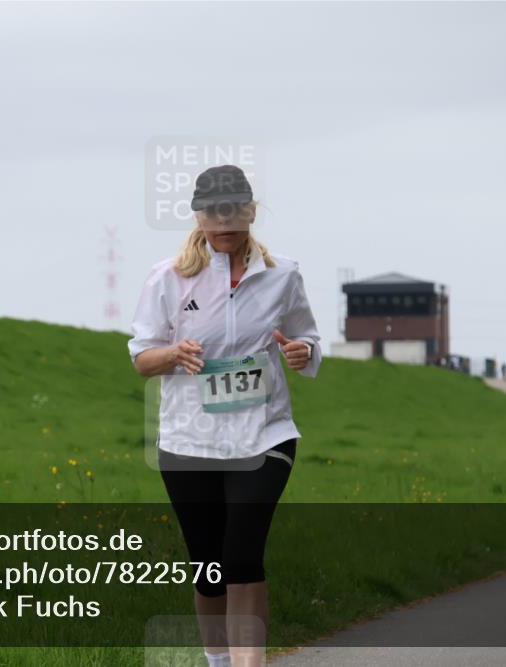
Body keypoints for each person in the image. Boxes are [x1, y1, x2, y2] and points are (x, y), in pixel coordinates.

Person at [128, 164, 321, 667]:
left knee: (241, 557)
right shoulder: (168, 277)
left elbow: (308, 339)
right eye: (215, 211)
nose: (226, 220)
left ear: (252, 211)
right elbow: (142, 358)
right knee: (209, 566)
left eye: (236, 208)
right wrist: (173, 354)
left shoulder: (283, 275)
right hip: (189, 441)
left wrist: (302, 352)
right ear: (198, 215)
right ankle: (217, 661)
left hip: (265, 434)